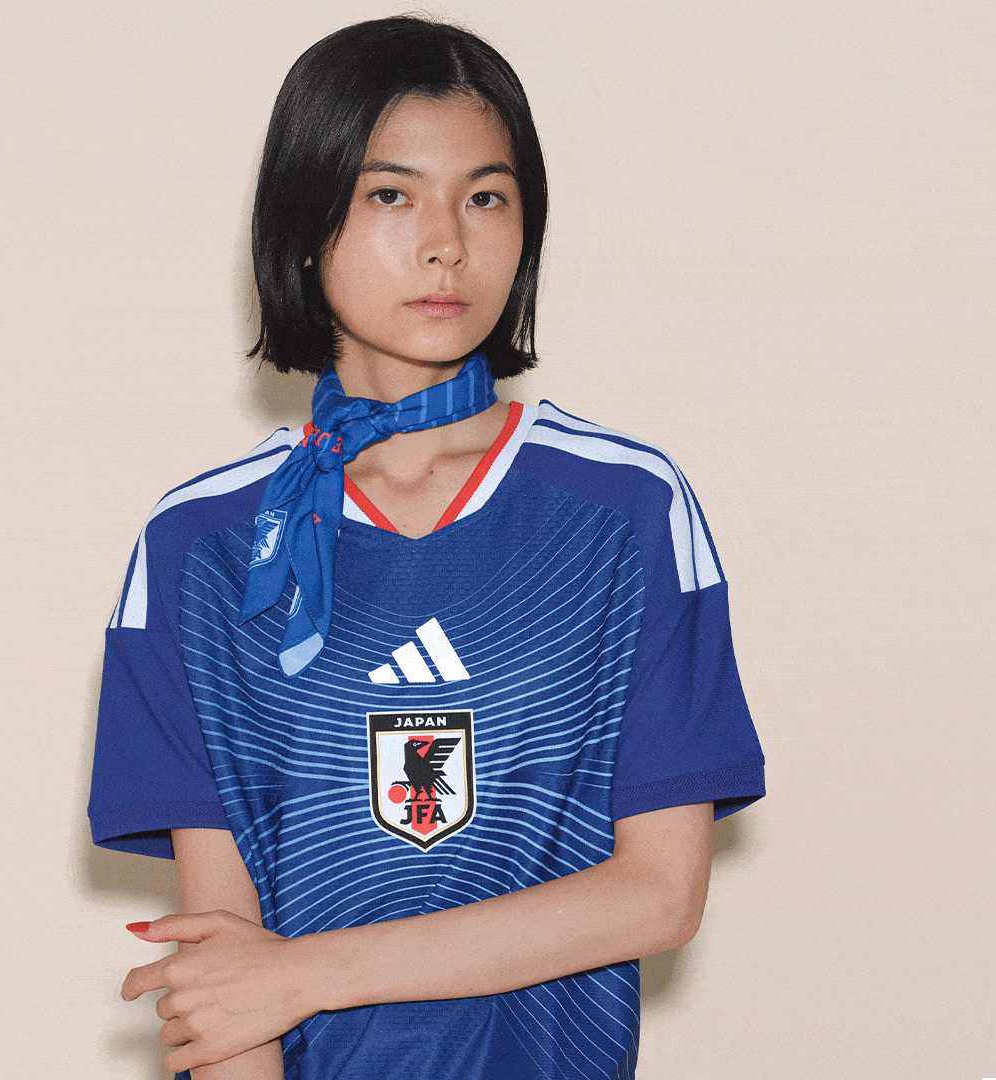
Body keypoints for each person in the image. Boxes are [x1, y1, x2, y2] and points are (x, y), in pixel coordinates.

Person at [87, 16, 765, 1080]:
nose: (447, 240)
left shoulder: (625, 507)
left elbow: (660, 893)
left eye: (486, 196)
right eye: (390, 194)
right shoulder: (200, 545)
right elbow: (223, 966)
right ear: (307, 222)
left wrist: (309, 973)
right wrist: (267, 987)